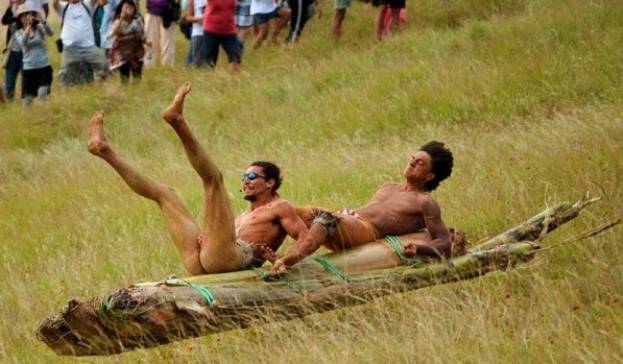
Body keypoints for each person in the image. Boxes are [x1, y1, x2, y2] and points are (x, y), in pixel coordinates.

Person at [87, 82, 309, 275]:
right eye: (244, 177)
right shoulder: (243, 215)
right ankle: (105, 151)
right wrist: (207, 239)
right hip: (201, 260)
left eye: (252, 176)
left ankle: (177, 121)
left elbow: (304, 237)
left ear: (270, 183)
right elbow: (221, 237)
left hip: (233, 260)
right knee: (165, 195)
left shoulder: (280, 207)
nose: (246, 181)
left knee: (214, 180)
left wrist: (283, 261)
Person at [270, 141, 461, 274]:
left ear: (430, 176)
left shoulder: (424, 202)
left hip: (367, 231)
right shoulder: (388, 186)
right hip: (349, 222)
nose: (411, 163)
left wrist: (420, 249)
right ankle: (262, 255)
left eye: (419, 163)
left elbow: (444, 240)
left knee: (325, 220)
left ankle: (285, 262)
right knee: (288, 212)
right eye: (413, 158)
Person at [53, 0, 108, 86]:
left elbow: (104, 1)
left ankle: (99, 85)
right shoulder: (64, 7)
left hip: (88, 46)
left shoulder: (87, 4)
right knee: (65, 73)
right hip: (70, 47)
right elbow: (55, 4)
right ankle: (65, 94)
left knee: (104, 64)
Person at [14, 3, 53, 105]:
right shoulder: (18, 32)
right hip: (29, 69)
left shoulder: (39, 28)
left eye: (29, 14)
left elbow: (51, 33)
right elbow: (23, 42)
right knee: (27, 101)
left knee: (42, 97)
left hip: (43, 67)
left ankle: (43, 116)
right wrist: (28, 27)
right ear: (20, 18)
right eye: (23, 15)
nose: (26, 17)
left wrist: (43, 21)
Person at [108, 0, 145, 82]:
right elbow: (114, 33)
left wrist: (146, 42)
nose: (128, 10)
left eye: (130, 7)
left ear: (134, 9)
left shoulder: (137, 21)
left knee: (137, 74)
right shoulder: (118, 21)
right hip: (122, 52)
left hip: (135, 50)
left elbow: (142, 35)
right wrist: (121, 18)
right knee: (124, 75)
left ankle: (136, 90)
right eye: (125, 8)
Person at [202, 0, 242, 71]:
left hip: (229, 30)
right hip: (211, 30)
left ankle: (231, 79)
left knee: (235, 55)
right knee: (209, 62)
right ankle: (210, 79)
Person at [2, 0, 24, 100]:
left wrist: (16, 14)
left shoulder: (27, 9)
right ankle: (9, 103)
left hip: (26, 52)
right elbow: (4, 21)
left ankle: (26, 104)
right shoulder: (12, 9)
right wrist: (11, 9)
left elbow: (22, 23)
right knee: (9, 82)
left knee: (26, 81)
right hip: (12, 52)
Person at [144, 0, 177, 66]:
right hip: (152, 11)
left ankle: (167, 68)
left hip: (168, 12)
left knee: (167, 45)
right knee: (150, 42)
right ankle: (149, 65)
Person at [185, 0, 206, 65]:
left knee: (209, 63)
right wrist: (200, 19)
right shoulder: (193, 1)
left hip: (211, 34)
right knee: (197, 62)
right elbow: (188, 17)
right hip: (198, 33)